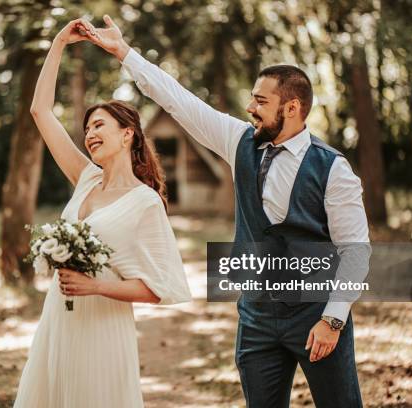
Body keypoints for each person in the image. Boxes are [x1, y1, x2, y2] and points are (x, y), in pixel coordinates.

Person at [82, 15, 370, 408]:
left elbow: (356, 252)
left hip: (316, 315)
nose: (250, 107)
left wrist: (333, 320)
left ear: (292, 108)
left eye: (261, 101)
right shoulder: (239, 141)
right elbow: (179, 101)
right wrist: (124, 53)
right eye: (252, 97)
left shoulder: (334, 169)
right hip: (257, 318)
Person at [12, 19, 191, 408]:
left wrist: (95, 286)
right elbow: (40, 111)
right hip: (60, 317)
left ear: (127, 134)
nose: (89, 134)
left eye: (99, 125)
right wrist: (60, 42)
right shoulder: (86, 179)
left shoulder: (146, 203)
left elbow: (159, 288)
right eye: (87, 128)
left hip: (104, 325)